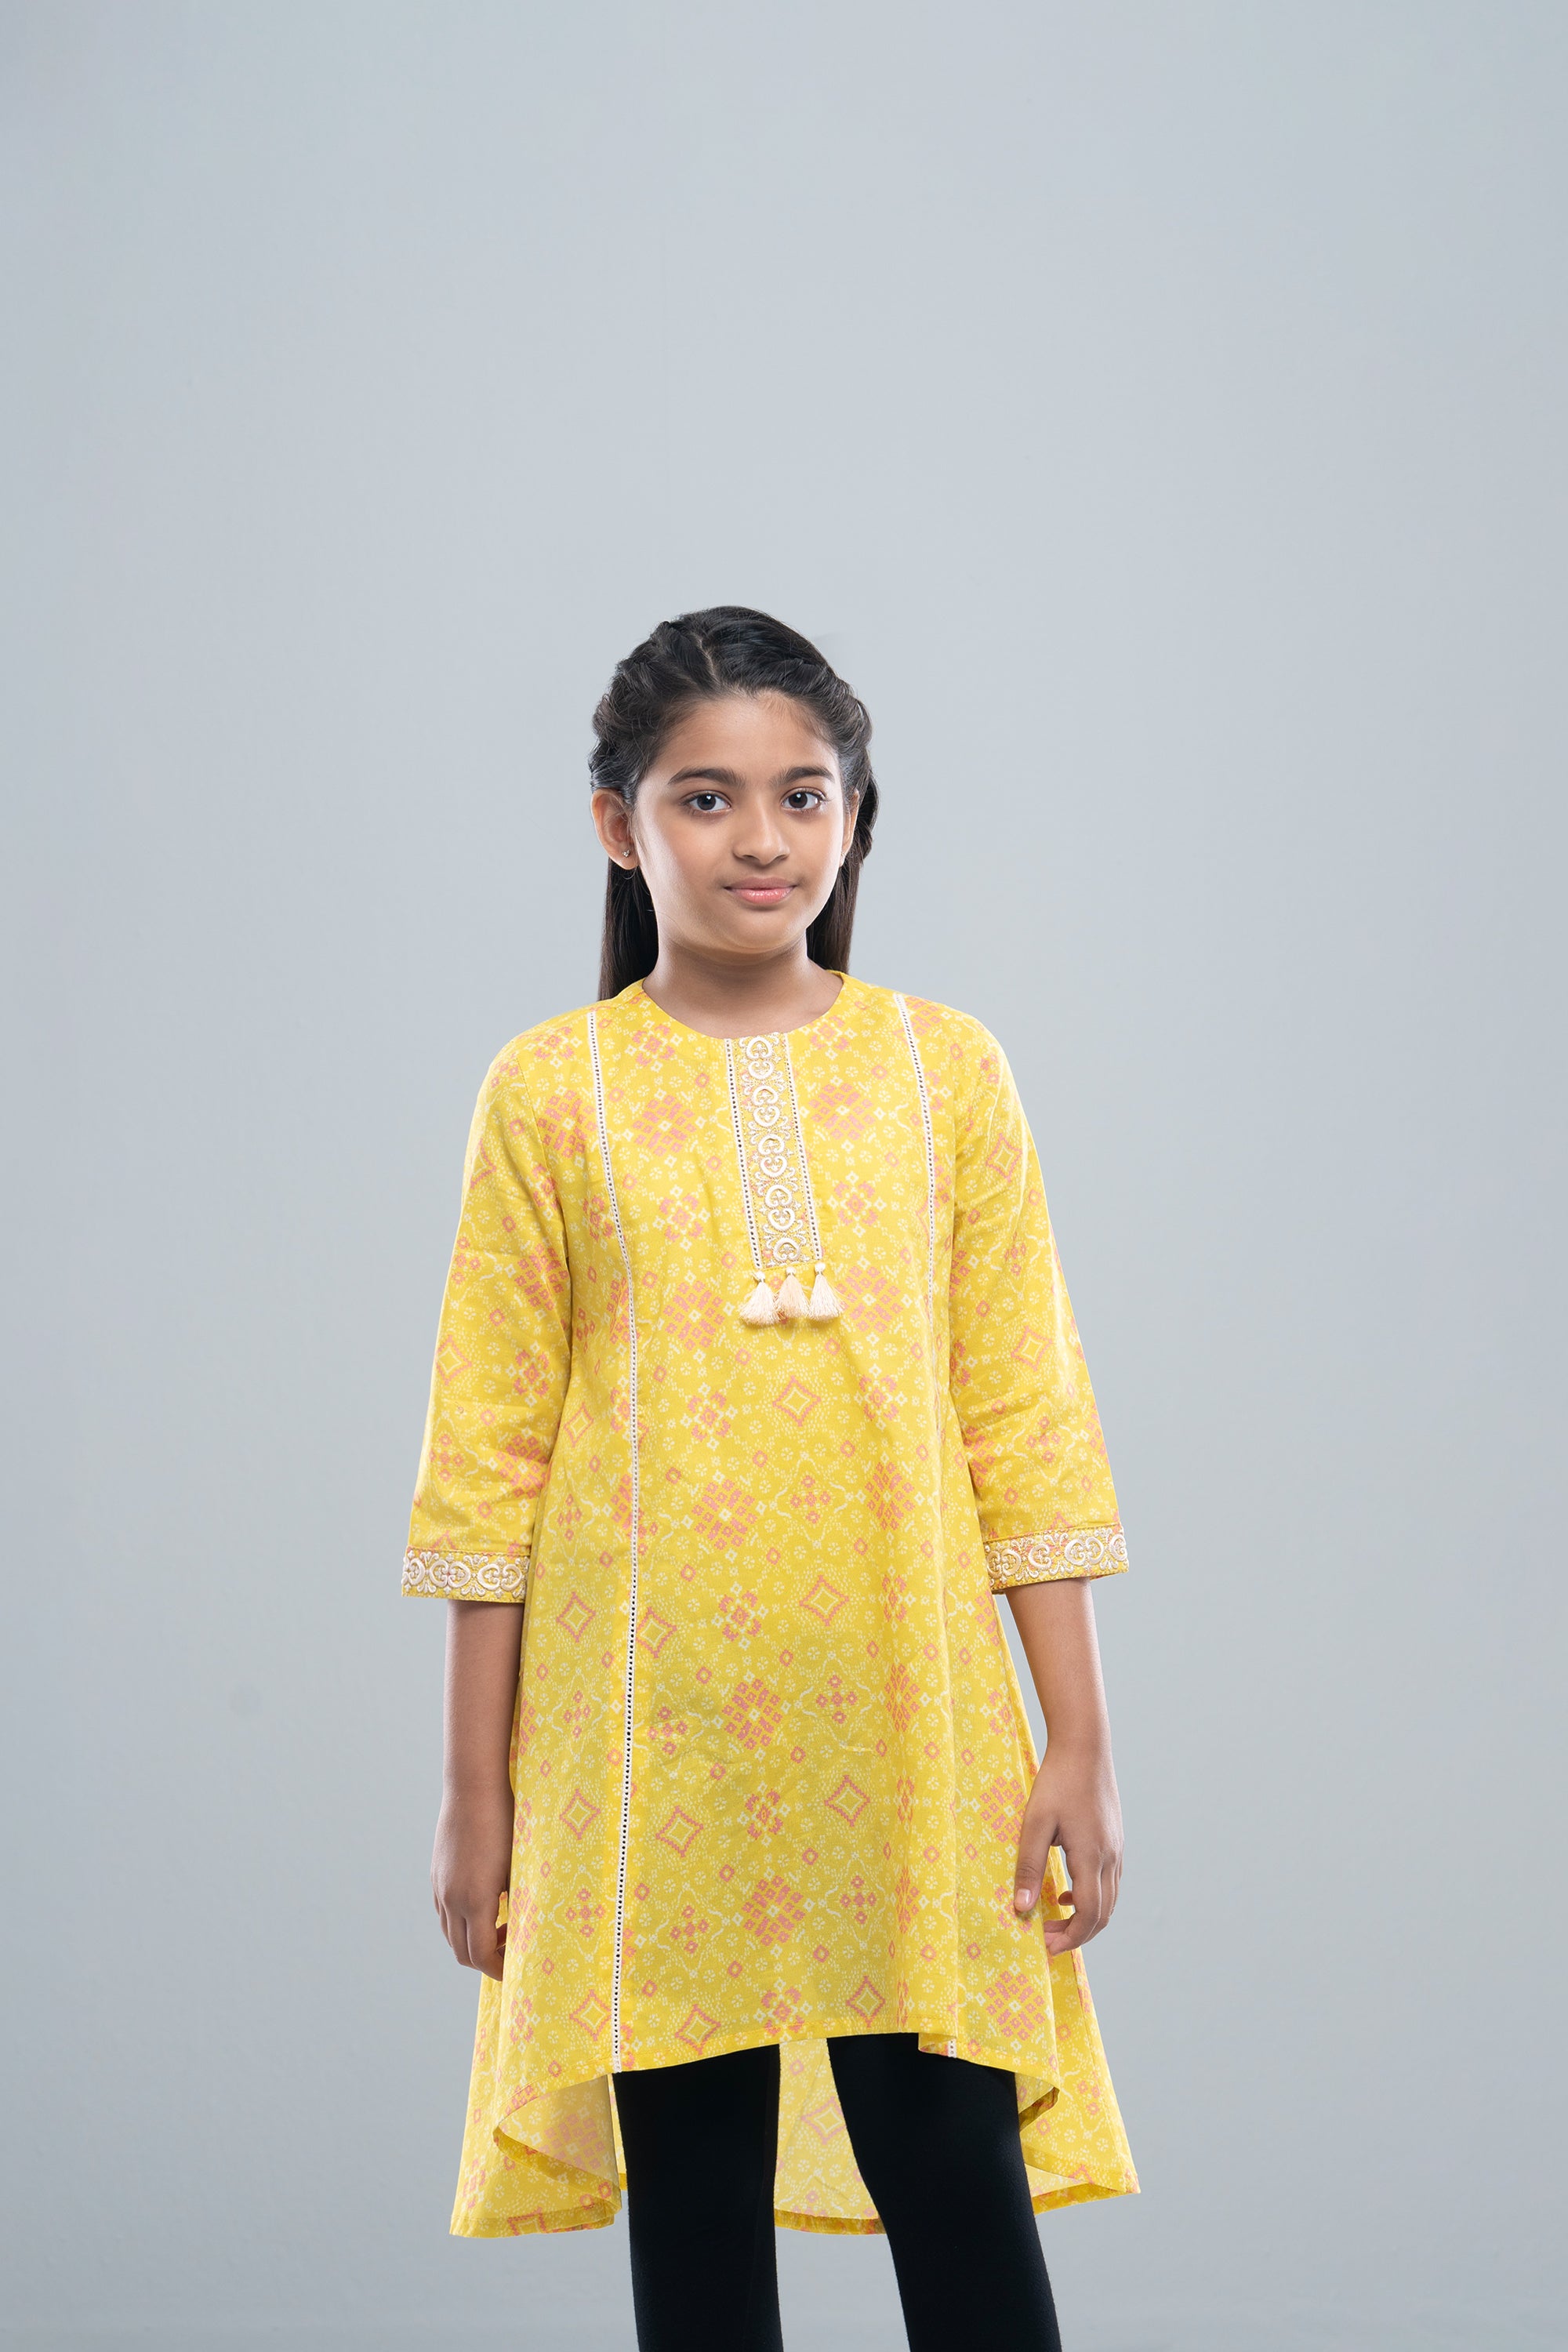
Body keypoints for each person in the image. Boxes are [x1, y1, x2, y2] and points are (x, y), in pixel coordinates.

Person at [405, 608, 1138, 2350]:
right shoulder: (553, 1092)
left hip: (912, 1725)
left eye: (804, 795)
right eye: (707, 797)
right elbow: (488, 1466)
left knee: (953, 2171)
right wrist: (473, 1792)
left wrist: (1079, 1743)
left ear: (855, 816)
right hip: (644, 1741)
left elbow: (1023, 1415)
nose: (762, 840)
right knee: (699, 2208)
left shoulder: (943, 1072)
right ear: (618, 822)